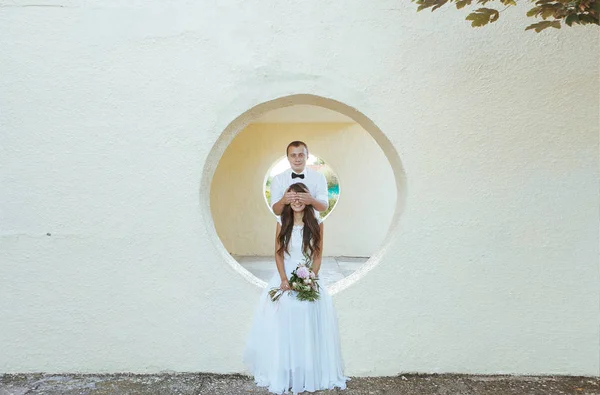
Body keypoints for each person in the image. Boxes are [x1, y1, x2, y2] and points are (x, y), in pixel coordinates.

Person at [244, 183, 349, 394]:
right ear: (288, 200)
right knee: (284, 310)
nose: (297, 201)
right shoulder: (281, 221)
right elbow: (278, 253)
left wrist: (311, 277)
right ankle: (286, 369)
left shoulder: (317, 223)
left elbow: (317, 255)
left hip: (307, 275)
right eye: (293, 197)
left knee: (307, 311)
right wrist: (283, 279)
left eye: (301, 196)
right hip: (284, 276)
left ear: (307, 199)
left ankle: (307, 369)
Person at [270, 141, 329, 216]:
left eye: (301, 155)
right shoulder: (278, 179)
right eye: (293, 155)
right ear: (288, 157)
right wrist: (283, 201)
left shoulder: (319, 177)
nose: (297, 159)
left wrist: (312, 200)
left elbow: (324, 207)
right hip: (286, 226)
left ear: (307, 156)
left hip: (312, 226)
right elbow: (276, 212)